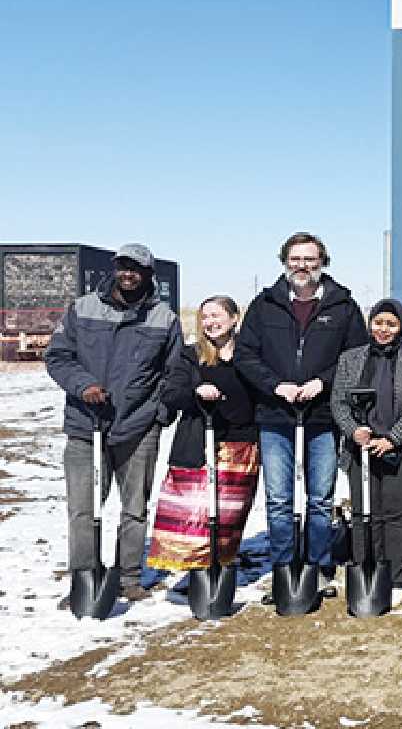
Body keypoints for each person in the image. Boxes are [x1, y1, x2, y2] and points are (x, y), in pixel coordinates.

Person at [45, 243, 181, 604]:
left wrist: (158, 415)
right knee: (83, 508)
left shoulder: (163, 318)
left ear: (148, 274)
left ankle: (129, 578)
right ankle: (85, 579)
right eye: (123, 266)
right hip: (85, 424)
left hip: (138, 428)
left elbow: (174, 373)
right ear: (114, 268)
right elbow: (57, 356)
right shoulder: (83, 308)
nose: (128, 274)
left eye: (136, 268)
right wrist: (83, 385)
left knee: (134, 508)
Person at [238, 232, 367, 601]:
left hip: (322, 415)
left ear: (322, 262)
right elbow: (247, 354)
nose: (302, 266)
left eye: (310, 259)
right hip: (275, 414)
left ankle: (319, 568)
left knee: (319, 499)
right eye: (295, 259)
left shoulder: (343, 307)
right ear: (284, 261)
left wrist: (323, 384)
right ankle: (283, 570)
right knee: (279, 498)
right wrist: (275, 385)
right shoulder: (264, 305)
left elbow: (356, 356)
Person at [147, 296, 260, 580]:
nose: (210, 322)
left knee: (229, 515)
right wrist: (196, 391)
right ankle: (197, 570)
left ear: (234, 318)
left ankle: (221, 564)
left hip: (240, 444)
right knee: (193, 512)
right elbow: (171, 393)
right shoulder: (190, 355)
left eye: (217, 315)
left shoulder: (249, 356)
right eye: (205, 317)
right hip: (198, 441)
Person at [331, 299, 402, 607]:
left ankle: (398, 578)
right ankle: (368, 569)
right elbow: (338, 402)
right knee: (365, 513)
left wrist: (392, 438)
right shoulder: (351, 359)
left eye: (391, 324)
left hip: (400, 450)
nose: (383, 329)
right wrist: (354, 431)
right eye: (379, 322)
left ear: (401, 327)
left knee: (399, 515)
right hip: (361, 448)